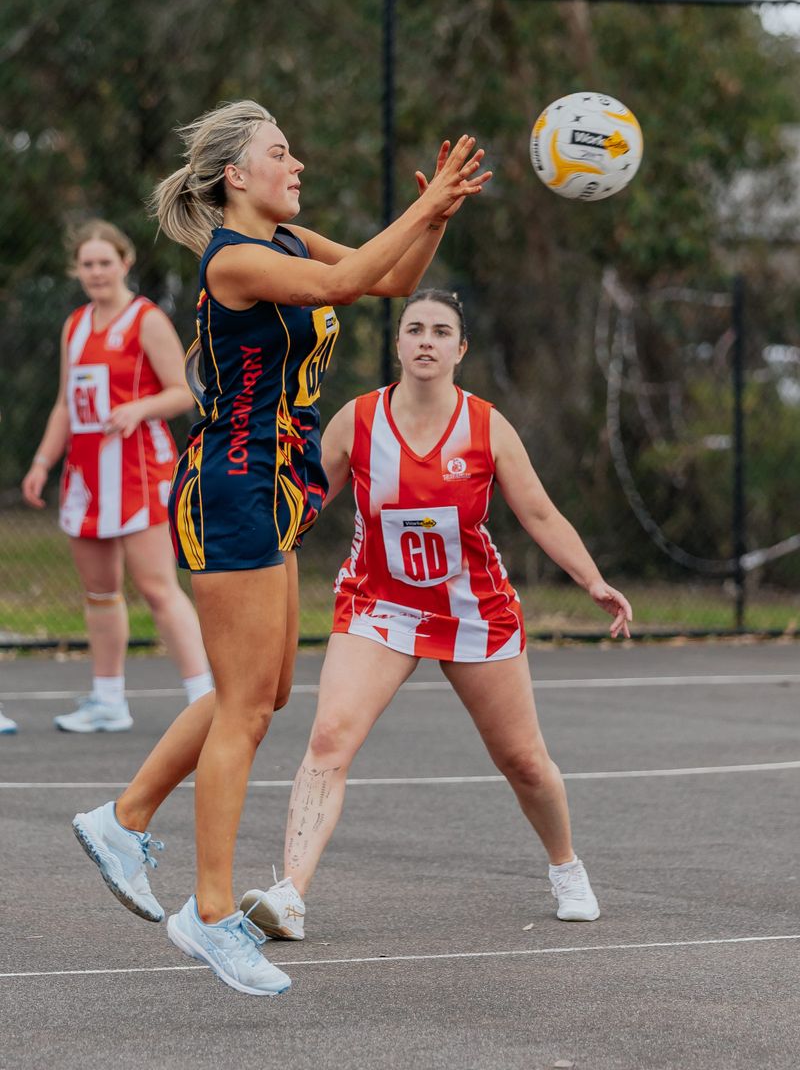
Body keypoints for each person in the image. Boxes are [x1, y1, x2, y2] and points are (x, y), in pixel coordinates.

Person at [70, 101, 491, 998]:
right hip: (229, 487)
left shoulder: (291, 239)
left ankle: (123, 819)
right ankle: (211, 912)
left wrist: (437, 215)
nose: (293, 162)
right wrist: (424, 208)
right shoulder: (237, 260)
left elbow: (384, 279)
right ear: (236, 174)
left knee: (263, 692)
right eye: (279, 151)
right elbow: (346, 288)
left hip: (272, 487)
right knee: (245, 711)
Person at [239, 288, 633, 941]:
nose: (426, 340)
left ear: (460, 348)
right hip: (379, 603)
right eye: (414, 328)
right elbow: (300, 503)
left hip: (472, 609)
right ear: (397, 343)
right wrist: (247, 550)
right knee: (329, 738)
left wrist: (591, 580)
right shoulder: (358, 422)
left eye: (440, 331)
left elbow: (537, 511)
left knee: (524, 760)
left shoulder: (486, 427)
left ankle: (566, 866)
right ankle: (290, 896)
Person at [20, 221, 213, 732]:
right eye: (87, 264)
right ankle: (108, 700)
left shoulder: (145, 320)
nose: (96, 272)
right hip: (87, 475)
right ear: (77, 270)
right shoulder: (75, 325)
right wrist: (42, 462)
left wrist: (139, 409)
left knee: (157, 587)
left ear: (125, 263)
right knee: (100, 592)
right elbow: (66, 403)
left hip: (140, 469)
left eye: (105, 262)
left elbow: (183, 391)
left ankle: (204, 697)